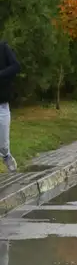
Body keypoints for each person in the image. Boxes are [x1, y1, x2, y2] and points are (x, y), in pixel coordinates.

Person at [0, 41, 20, 172]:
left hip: (1, 103)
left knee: (3, 143)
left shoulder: (3, 48)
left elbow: (16, 66)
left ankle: (6, 155)